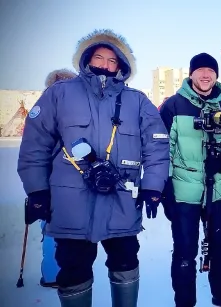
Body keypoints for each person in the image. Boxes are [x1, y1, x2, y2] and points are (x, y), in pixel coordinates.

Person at [17, 29, 170, 307]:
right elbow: (34, 145)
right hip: (71, 205)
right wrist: (37, 190)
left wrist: (153, 187)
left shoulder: (138, 101)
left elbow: (157, 146)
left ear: (122, 66)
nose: (105, 64)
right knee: (73, 270)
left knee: (125, 263)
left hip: (121, 201)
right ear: (87, 59)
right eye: (98, 57)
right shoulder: (59, 94)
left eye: (113, 60)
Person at [159, 53, 221, 307]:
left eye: (211, 71)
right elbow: (162, 150)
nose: (206, 75)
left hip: (218, 188)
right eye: (201, 70)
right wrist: (165, 190)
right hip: (184, 189)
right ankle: (184, 300)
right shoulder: (173, 105)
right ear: (191, 74)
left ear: (216, 75)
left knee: (220, 244)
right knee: (185, 249)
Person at [38, 68, 78, 289]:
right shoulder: (52, 114)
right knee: (54, 230)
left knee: (52, 230)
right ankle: (57, 274)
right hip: (54, 181)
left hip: (59, 182)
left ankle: (56, 273)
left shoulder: (43, 110)